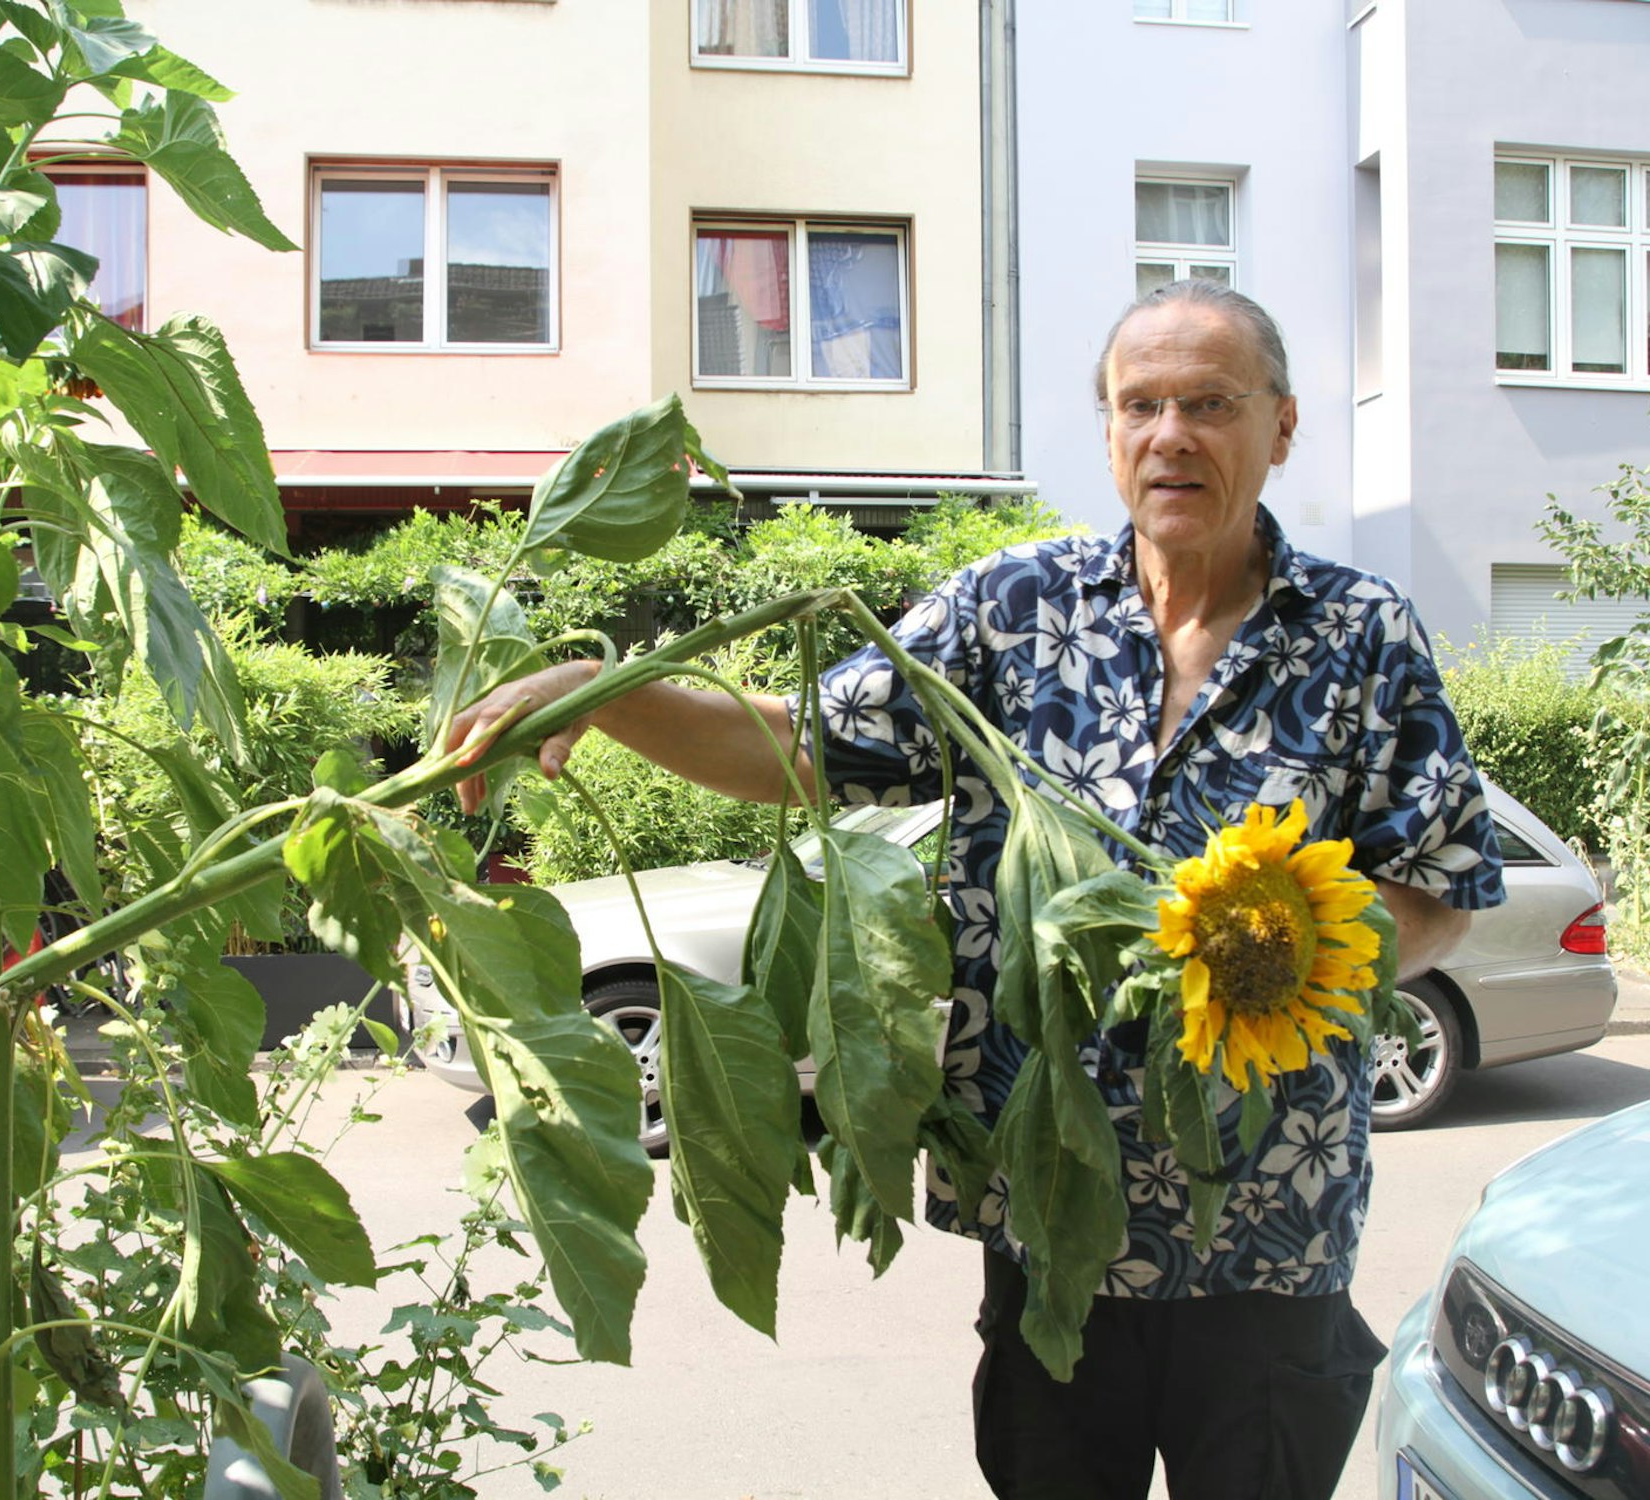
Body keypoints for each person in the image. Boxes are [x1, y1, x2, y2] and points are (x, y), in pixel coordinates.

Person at [447, 280, 1504, 1500]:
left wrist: (1297, 944)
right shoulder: (1012, 610)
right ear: (1108, 435)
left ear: (1280, 426)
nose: (1172, 434)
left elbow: (1440, 888)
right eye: (1140, 405)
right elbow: (800, 750)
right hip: (1048, 1217)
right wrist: (606, 689)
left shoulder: (1362, 634)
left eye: (1209, 403)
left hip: (1268, 1234)